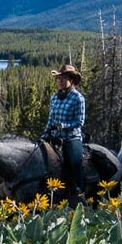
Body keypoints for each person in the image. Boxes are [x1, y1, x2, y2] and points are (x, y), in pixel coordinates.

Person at [40, 64, 86, 205]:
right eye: (58, 78)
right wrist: (45, 134)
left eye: (63, 78)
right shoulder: (54, 98)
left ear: (71, 80)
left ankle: (80, 192)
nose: (59, 81)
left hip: (71, 137)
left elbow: (80, 121)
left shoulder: (78, 98)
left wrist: (64, 126)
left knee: (74, 163)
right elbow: (51, 119)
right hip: (54, 136)